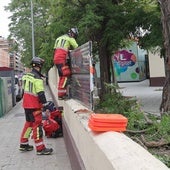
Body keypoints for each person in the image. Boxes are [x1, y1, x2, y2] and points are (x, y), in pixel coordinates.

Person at [19, 57, 53, 155]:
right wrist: (46, 106)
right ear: (40, 66)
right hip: (34, 106)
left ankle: (23, 144)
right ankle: (40, 148)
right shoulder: (37, 79)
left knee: (29, 124)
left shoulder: (26, 76)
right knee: (37, 126)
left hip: (26, 105)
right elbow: (41, 93)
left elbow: (24, 90)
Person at [53, 27, 79, 99]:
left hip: (56, 59)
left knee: (61, 76)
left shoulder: (58, 38)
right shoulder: (70, 38)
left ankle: (62, 93)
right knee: (65, 75)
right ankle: (61, 95)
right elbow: (77, 47)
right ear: (73, 34)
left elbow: (55, 50)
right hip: (62, 59)